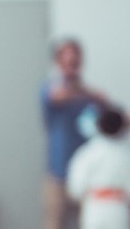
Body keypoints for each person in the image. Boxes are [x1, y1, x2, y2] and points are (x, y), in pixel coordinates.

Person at [42, 38, 114, 229]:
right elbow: (57, 96)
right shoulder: (49, 89)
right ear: (57, 62)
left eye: (75, 61)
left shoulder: (91, 99)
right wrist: (90, 94)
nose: (71, 66)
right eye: (66, 61)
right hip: (58, 174)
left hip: (87, 175)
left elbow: (109, 119)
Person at [67, 109, 130, 229]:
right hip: (117, 208)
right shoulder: (125, 154)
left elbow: (76, 186)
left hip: (94, 206)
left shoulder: (88, 152)